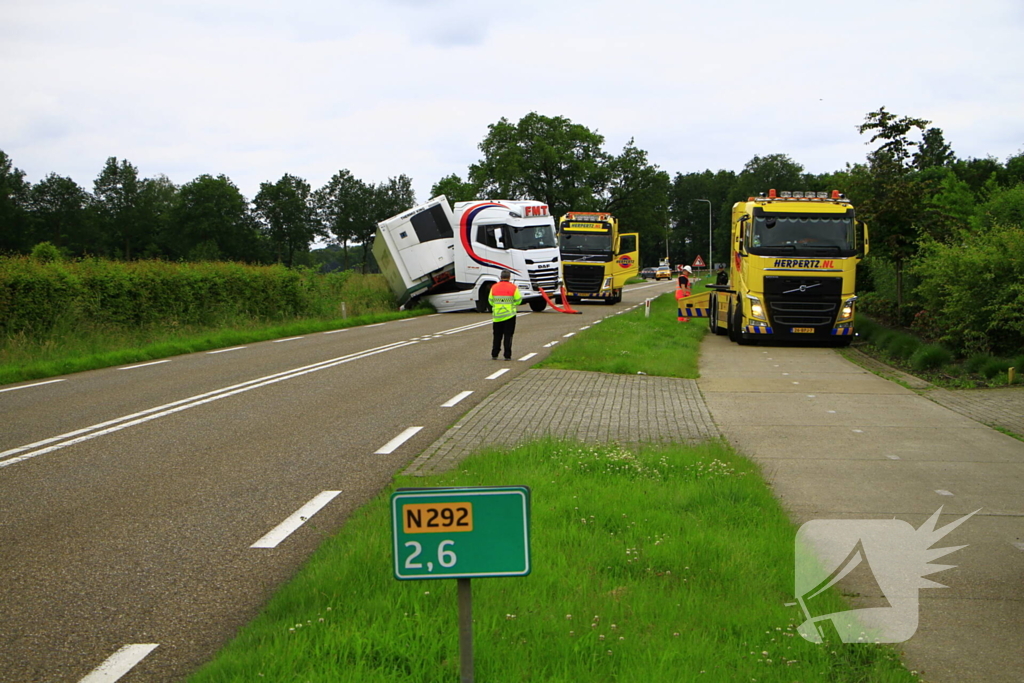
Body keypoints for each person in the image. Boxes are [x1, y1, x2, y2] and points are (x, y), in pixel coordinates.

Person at [489, 270, 522, 360]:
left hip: (497, 316)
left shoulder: (494, 287)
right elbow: (519, 300)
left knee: (497, 335)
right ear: (509, 277)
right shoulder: (513, 287)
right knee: (508, 335)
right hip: (509, 315)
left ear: (500, 277)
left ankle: (494, 353)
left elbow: (490, 301)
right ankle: (507, 355)